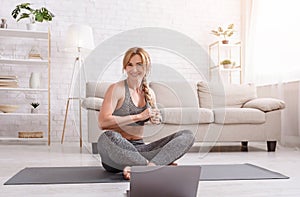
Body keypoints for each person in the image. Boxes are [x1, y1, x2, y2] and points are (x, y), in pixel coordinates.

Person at [97, 47, 195, 180]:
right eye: (130, 64)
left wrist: (153, 119)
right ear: (125, 68)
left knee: (187, 135)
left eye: (139, 64)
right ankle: (156, 167)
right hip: (116, 153)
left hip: (140, 150)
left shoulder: (150, 93)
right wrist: (139, 116)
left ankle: (147, 167)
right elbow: (103, 122)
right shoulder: (117, 89)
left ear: (147, 67)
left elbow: (151, 117)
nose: (134, 69)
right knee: (107, 137)